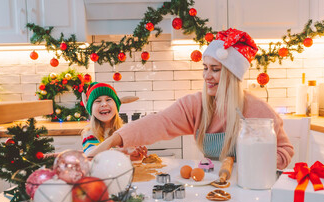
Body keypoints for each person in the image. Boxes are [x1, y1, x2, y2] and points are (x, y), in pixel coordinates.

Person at [89, 28, 294, 170]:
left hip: (252, 186)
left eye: (215, 70)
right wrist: (110, 142)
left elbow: (285, 152)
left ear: (233, 75)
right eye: (205, 68)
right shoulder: (196, 106)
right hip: (215, 186)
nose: (207, 76)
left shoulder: (258, 111)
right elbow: (158, 122)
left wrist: (258, 158)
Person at [81, 82, 147, 160]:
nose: (104, 104)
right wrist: (122, 151)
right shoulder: (89, 135)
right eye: (98, 101)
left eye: (108, 99)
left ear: (116, 105)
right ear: (91, 110)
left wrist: (133, 155)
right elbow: (91, 158)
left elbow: (124, 162)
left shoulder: (125, 132)